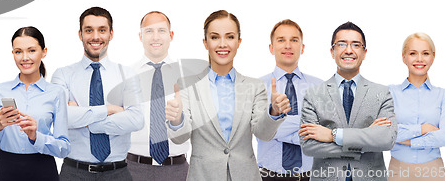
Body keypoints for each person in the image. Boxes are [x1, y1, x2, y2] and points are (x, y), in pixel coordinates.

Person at [165, 10, 289, 181]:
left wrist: (274, 112)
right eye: (215, 37)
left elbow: (263, 134)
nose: (222, 44)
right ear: (205, 43)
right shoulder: (188, 85)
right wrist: (177, 119)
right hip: (203, 176)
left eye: (230, 37)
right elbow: (180, 138)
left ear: (239, 42)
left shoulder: (255, 86)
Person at [51, 7, 144, 181]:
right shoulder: (63, 75)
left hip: (118, 173)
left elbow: (136, 120)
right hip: (73, 173)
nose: (95, 37)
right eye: (89, 30)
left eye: (102, 30)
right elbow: (60, 118)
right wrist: (111, 109)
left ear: (111, 34)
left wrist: (86, 121)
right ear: (80, 34)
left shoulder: (127, 74)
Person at [298, 21, 397, 181]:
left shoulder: (382, 93)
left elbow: (386, 140)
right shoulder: (313, 94)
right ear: (332, 51)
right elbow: (309, 146)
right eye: (342, 44)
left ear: (364, 52)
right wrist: (365, 139)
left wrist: (332, 135)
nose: (349, 50)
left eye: (356, 45)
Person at [0, 26, 70, 181]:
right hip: (6, 170)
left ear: (44, 52)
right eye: (18, 51)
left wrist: (36, 137)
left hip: (43, 169)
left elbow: (64, 149)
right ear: (13, 54)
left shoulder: (56, 93)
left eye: (31, 50)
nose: (24, 57)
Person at [127, 11, 189, 181]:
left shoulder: (187, 77)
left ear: (171, 35)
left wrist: (178, 120)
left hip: (176, 171)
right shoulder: (126, 76)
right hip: (133, 169)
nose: (155, 37)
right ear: (140, 36)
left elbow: (196, 128)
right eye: (149, 31)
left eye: (161, 31)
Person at [258, 19, 322, 181]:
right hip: (267, 176)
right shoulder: (257, 87)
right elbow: (262, 132)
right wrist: (307, 123)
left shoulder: (320, 86)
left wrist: (276, 124)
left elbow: (324, 132)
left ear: (302, 48)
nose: (288, 46)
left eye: (294, 40)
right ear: (271, 48)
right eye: (281, 40)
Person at [388, 33, 445, 181]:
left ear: (433, 57)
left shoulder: (443, 96)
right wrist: (423, 129)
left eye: (425, 53)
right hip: (398, 171)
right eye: (413, 53)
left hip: (434, 171)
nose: (419, 59)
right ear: (404, 57)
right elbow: (384, 133)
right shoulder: (390, 93)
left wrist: (408, 141)